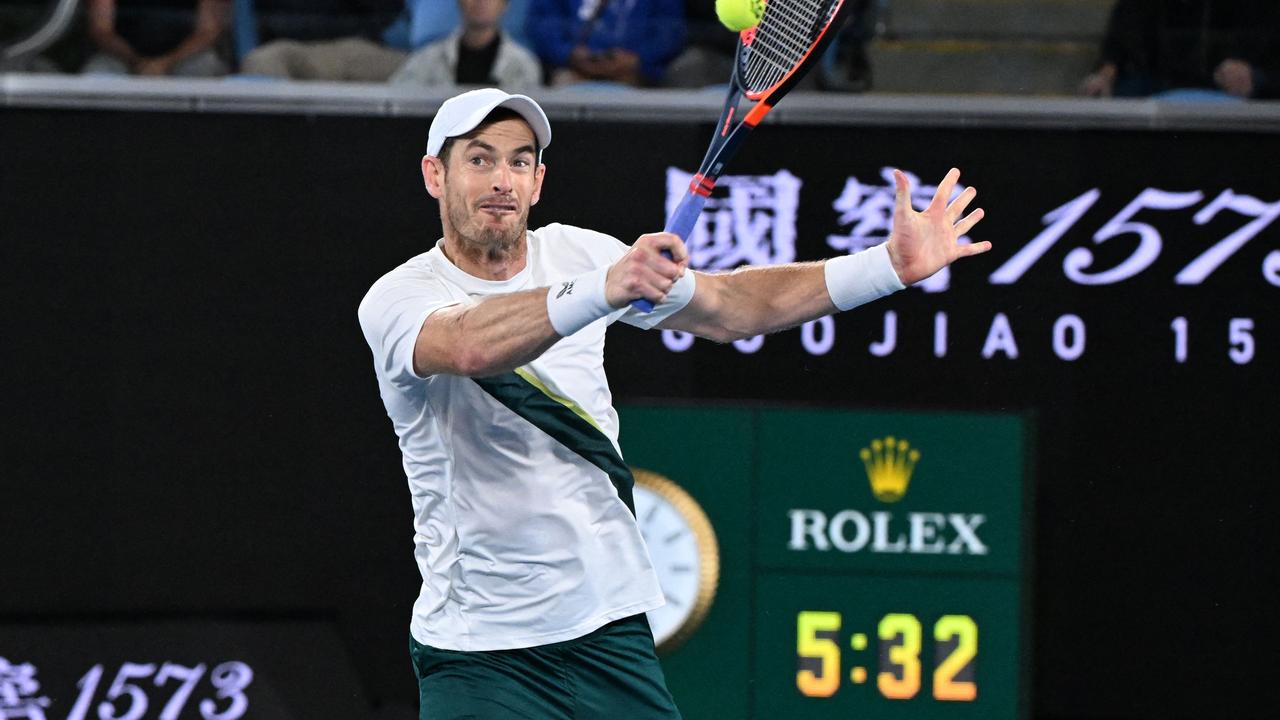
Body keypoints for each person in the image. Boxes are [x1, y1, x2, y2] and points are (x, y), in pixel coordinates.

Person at [357, 87, 988, 719]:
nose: (502, 180)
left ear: (539, 180)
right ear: (434, 175)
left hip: (609, 631)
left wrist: (886, 266)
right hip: (480, 654)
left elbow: (734, 310)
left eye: (519, 162)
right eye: (480, 159)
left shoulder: (582, 253)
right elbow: (469, 345)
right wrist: (605, 289)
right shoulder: (399, 297)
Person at [1080, 0, 1279, 99]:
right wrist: (1107, 73)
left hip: (1238, 98)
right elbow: (1124, 33)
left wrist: (1257, 77)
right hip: (1161, 88)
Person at [525, 0, 684, 87]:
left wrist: (638, 59)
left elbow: (671, 31)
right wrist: (569, 54)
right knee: (561, 88)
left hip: (636, 75)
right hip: (574, 71)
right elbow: (541, 24)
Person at [391, 0, 541, 91]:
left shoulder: (523, 65)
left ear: (505, 5)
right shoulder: (427, 59)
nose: (481, 1)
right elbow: (397, 101)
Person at [82, 0, 230, 76]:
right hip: (122, 56)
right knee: (97, 73)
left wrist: (164, 63)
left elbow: (209, 30)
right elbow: (101, 30)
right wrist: (138, 62)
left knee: (205, 67)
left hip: (187, 56)